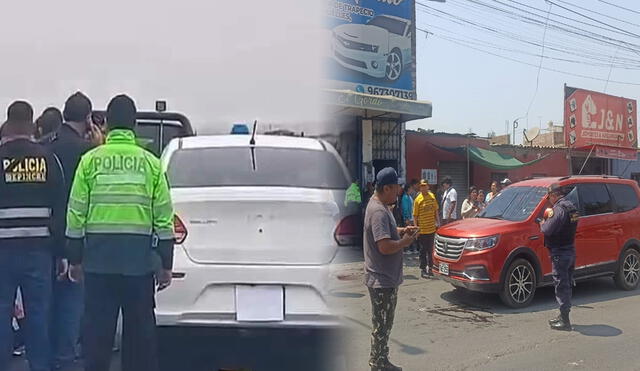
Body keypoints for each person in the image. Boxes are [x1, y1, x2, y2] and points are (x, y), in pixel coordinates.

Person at [65, 95, 175, 371]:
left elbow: (76, 214)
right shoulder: (151, 164)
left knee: (97, 339)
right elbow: (164, 218)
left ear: (108, 125)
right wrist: (165, 264)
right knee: (140, 340)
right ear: (134, 125)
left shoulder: (90, 161)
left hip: (98, 263)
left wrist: (75, 258)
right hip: (139, 266)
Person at [0, 101, 66, 371]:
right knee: (39, 315)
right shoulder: (48, 158)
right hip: (39, 250)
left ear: (7, 123)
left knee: (2, 313)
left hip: (2, 252)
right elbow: (61, 206)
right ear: (32, 125)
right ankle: (40, 366)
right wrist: (62, 252)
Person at [48, 92, 99, 370]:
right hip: (75, 236)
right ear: (88, 118)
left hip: (46, 236)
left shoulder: (46, 145)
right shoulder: (86, 152)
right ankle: (65, 359)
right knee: (71, 304)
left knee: (47, 303)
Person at [363, 167, 419, 371]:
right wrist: (405, 242)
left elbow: (386, 232)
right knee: (382, 326)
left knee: (384, 325)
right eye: (396, 188)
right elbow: (384, 246)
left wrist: (402, 230)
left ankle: (381, 360)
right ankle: (378, 364)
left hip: (385, 278)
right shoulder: (378, 211)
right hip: (382, 280)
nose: (399, 191)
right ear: (386, 188)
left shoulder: (381, 205)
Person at [539, 183, 579, 331]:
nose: (549, 199)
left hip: (560, 253)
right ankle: (562, 316)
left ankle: (565, 321)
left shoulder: (558, 209)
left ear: (553, 195)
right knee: (566, 283)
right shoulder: (572, 207)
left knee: (561, 285)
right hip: (569, 250)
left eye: (549, 197)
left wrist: (543, 223)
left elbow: (547, 229)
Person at [413, 180, 439, 278]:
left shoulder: (432, 197)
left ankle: (431, 268)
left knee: (431, 250)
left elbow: (436, 210)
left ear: (428, 187)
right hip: (422, 230)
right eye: (421, 186)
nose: (423, 188)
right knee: (423, 251)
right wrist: (416, 229)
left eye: (425, 186)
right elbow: (415, 215)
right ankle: (423, 269)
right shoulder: (418, 199)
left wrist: (438, 222)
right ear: (420, 188)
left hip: (431, 229)